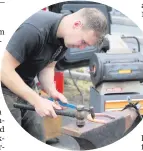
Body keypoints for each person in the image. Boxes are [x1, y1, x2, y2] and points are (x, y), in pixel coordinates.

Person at [1, 8, 107, 142]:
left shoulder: (64, 38)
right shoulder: (33, 31)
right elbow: (3, 69)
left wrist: (51, 90)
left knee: (37, 135)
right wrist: (36, 100)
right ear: (76, 25)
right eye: (83, 42)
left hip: (26, 86)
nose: (81, 48)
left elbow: (48, 66)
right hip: (4, 87)